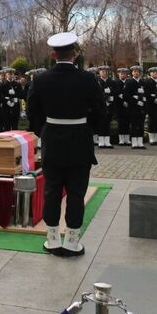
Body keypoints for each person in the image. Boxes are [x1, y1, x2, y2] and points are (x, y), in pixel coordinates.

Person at [27, 32, 103, 257]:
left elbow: (32, 112)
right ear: (76, 55)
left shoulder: (40, 80)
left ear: (52, 55)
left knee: (51, 190)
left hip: (52, 138)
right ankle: (72, 239)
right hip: (79, 139)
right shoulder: (88, 79)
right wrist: (89, 129)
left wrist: (45, 129)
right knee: (76, 192)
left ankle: (51, 238)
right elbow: (100, 111)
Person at [124, 65, 147, 149]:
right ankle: (134, 142)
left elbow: (146, 94)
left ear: (140, 73)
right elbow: (126, 95)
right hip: (133, 108)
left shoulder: (143, 82)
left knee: (141, 125)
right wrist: (136, 101)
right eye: (134, 71)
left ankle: (140, 143)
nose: (136, 73)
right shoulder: (129, 82)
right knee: (134, 125)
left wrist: (144, 100)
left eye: (137, 71)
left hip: (142, 108)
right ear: (132, 73)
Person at [96, 66, 116, 148]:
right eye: (102, 71)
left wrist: (111, 92)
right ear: (99, 73)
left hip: (110, 105)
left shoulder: (111, 81)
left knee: (107, 123)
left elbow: (116, 91)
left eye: (105, 71)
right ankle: (101, 141)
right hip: (101, 105)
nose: (104, 73)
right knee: (101, 123)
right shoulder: (97, 81)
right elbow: (95, 93)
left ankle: (107, 141)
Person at [114, 67, 130, 146]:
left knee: (127, 122)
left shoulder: (128, 82)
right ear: (118, 74)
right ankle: (121, 139)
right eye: (121, 73)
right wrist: (122, 100)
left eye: (124, 73)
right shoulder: (116, 82)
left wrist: (127, 101)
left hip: (128, 105)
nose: (123, 75)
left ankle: (127, 139)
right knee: (121, 122)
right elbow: (115, 93)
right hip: (119, 105)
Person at [146, 67, 157, 146]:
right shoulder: (147, 82)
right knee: (151, 121)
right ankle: (151, 139)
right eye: (153, 72)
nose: (155, 73)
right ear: (150, 73)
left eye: (156, 72)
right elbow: (146, 93)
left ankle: (156, 139)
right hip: (151, 105)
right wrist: (153, 98)